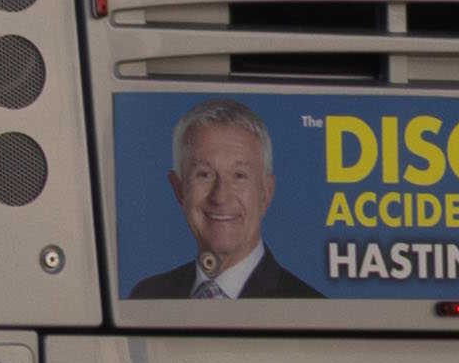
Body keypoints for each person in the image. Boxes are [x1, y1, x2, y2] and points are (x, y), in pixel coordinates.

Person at [128, 99, 318, 300]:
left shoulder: (310, 308)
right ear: (178, 189)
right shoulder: (146, 296)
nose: (220, 197)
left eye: (239, 176)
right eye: (204, 174)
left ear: (266, 192)